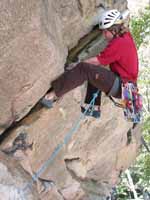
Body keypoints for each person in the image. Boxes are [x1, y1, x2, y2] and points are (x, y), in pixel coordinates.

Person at [41, 9, 139, 119]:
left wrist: (76, 65)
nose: (104, 34)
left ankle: (51, 96)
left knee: (84, 68)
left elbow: (97, 60)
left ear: (114, 30)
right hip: (125, 86)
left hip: (122, 86)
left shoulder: (119, 42)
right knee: (94, 71)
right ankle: (93, 108)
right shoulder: (125, 37)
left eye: (105, 31)